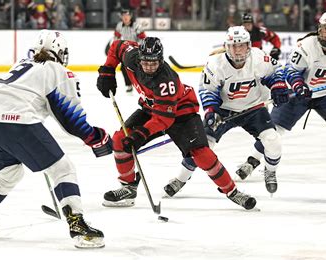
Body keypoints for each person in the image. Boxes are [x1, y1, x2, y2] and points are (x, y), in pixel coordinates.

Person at [0, 30, 112, 249]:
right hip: (15, 122)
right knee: (63, 169)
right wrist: (98, 138)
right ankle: (78, 225)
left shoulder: (22, 64)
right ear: (61, 52)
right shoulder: (58, 70)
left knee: (9, 172)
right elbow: (71, 119)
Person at [96, 37, 257, 210]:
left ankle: (232, 191)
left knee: (202, 154)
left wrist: (140, 134)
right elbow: (117, 45)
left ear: (161, 60)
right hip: (151, 107)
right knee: (120, 139)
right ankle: (128, 188)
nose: (149, 67)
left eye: (154, 63)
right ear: (139, 58)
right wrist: (107, 71)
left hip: (181, 112)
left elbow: (163, 120)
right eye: (145, 62)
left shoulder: (167, 81)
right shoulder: (131, 56)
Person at [236, 12, 326, 183]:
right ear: (319, 29)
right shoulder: (305, 46)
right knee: (273, 133)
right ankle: (251, 162)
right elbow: (291, 72)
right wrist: (299, 86)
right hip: (297, 95)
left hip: (325, 94)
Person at [163, 26, 289, 197]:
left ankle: (270, 171)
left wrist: (278, 87)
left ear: (248, 45)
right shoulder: (216, 64)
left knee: (273, 141)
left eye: (242, 45)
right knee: (200, 148)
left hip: (254, 109)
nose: (238, 50)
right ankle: (180, 179)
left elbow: (276, 71)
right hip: (224, 111)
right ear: (226, 46)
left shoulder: (258, 57)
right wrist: (211, 111)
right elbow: (208, 90)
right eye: (233, 46)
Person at [210, 12, 282, 60]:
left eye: (249, 24)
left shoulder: (260, 31)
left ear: (252, 24)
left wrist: (276, 48)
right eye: (245, 24)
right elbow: (227, 47)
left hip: (257, 60)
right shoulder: (235, 33)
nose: (247, 27)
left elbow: (274, 37)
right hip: (240, 60)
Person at [113, 8, 146, 92]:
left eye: (127, 15)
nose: (125, 17)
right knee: (124, 68)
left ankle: (142, 85)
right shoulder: (119, 26)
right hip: (125, 51)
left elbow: (143, 39)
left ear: (131, 16)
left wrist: (137, 47)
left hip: (136, 51)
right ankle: (129, 85)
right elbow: (116, 39)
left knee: (138, 68)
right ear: (121, 17)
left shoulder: (137, 26)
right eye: (123, 15)